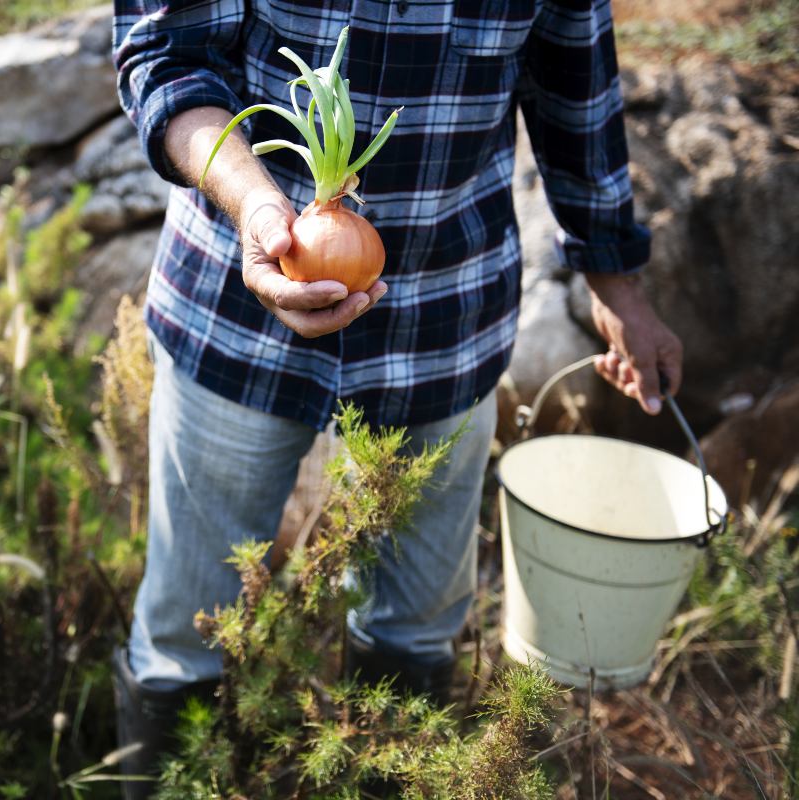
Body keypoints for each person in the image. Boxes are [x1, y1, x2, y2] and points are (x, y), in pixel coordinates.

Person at [111, 0, 683, 793]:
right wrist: (259, 205)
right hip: (231, 309)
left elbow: (573, 84)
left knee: (413, 635)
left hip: (446, 319)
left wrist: (619, 285)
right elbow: (166, 57)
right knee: (186, 634)